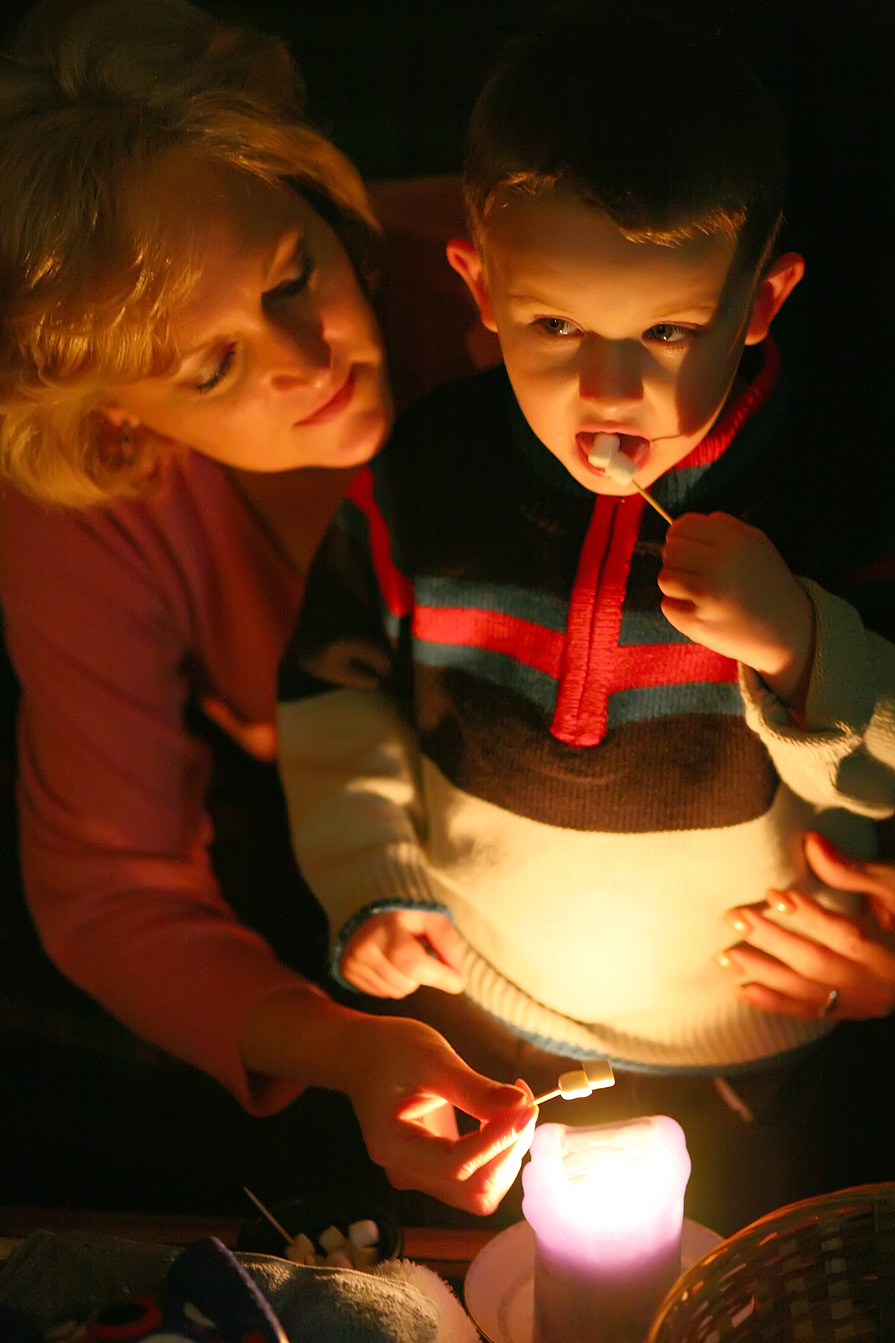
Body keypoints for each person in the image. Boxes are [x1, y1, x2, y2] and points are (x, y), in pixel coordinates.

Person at [276, 8, 895, 1232]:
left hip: (750, 1066)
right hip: (481, 1030)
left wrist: (805, 644)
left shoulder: (840, 485)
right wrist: (375, 882)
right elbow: (334, 690)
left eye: (667, 333)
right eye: (556, 326)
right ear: (481, 283)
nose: (610, 391)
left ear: (760, 300)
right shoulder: (430, 478)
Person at [0, 0, 538, 1214]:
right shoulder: (85, 501)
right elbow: (113, 887)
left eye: (294, 274)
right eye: (212, 367)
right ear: (120, 420)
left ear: (310, 188)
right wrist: (349, 1046)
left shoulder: (521, 286)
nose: (307, 357)